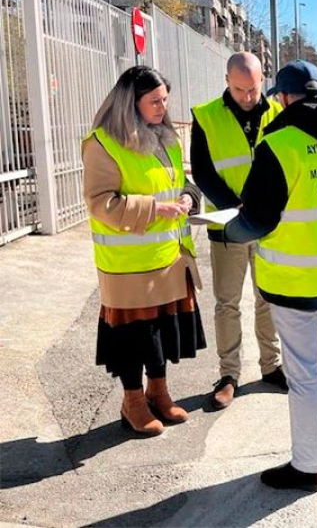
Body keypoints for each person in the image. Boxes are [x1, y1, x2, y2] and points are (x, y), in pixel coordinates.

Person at [224, 60, 317, 492]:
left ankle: (307, 467)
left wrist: (230, 229)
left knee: (304, 374)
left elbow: (257, 219)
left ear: (284, 98)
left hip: (294, 282)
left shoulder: (279, 145)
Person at [82, 65, 206, 437]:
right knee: (133, 337)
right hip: (127, 264)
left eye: (166, 100)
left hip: (167, 257)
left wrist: (188, 196)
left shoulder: (165, 138)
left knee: (161, 333)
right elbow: (100, 203)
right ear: (130, 103)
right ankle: (133, 401)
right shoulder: (102, 143)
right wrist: (154, 209)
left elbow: (181, 182)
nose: (162, 108)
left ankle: (159, 392)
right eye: (154, 101)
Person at [191, 52, 287, 410]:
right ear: (226, 81)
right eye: (239, 89)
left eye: (254, 88)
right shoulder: (206, 116)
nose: (248, 97)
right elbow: (202, 171)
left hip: (268, 226)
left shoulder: (278, 114)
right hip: (228, 224)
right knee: (227, 303)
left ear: (263, 79)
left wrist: (263, 204)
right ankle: (229, 374)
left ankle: (271, 366)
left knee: (268, 298)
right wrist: (236, 205)